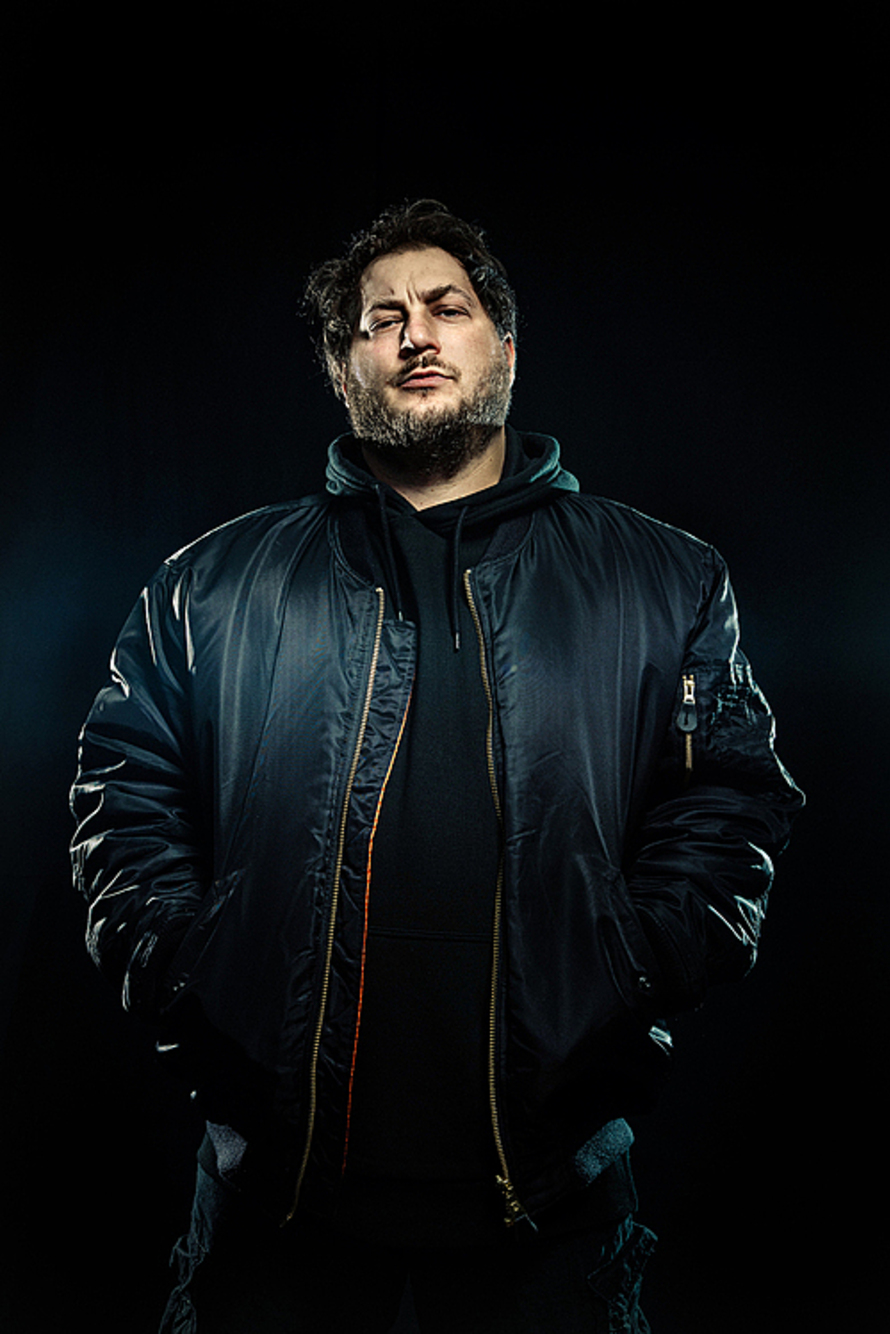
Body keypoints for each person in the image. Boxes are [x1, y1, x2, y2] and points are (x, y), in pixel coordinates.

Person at [70, 199, 804, 1333]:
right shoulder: (208, 584)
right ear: (340, 367)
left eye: (446, 307)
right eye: (380, 319)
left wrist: (634, 965)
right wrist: (187, 968)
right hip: (276, 1190)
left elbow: (729, 802)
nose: (415, 334)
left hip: (553, 1191)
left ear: (503, 344)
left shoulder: (665, 577)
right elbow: (123, 793)